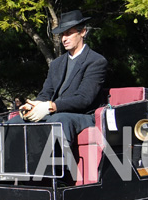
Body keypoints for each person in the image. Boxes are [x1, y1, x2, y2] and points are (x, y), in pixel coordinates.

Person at [13, 10, 108, 143]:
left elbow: (84, 99)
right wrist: (34, 106)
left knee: (58, 121)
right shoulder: (57, 63)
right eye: (62, 34)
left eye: (69, 33)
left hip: (82, 115)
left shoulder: (96, 61)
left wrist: (51, 106)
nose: (64, 38)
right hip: (56, 113)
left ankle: (57, 164)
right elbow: (46, 93)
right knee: (15, 121)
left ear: (83, 32)